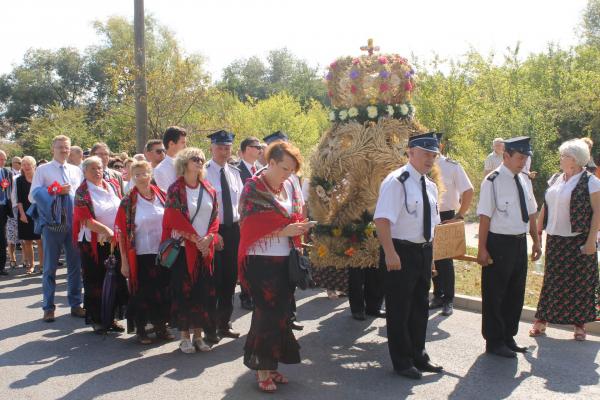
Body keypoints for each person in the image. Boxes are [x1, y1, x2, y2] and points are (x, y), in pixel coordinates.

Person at [238, 141, 308, 393]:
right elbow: (248, 226)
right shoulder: (252, 188)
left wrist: (299, 227)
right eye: (284, 168)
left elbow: (293, 216)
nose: (288, 174)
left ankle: (272, 363)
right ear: (271, 162)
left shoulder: (289, 185)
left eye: (292, 170)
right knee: (266, 314)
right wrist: (283, 230)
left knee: (281, 315)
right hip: (260, 261)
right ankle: (262, 369)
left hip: (285, 260)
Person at [374, 132, 443, 380]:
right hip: (400, 251)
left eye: (433, 155)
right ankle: (402, 361)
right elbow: (382, 220)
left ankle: (418, 355)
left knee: (420, 307)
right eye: (425, 154)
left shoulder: (430, 185)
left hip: (423, 253)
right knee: (400, 309)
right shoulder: (397, 182)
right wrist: (390, 253)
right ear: (411, 152)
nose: (430, 159)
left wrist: (432, 257)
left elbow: (432, 226)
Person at [476, 136, 542, 358]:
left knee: (515, 292)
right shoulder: (492, 181)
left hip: (518, 242)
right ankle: (494, 340)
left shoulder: (523, 179)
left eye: (526, 158)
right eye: (520, 157)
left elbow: (531, 212)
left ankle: (508, 336)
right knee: (495, 294)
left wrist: (536, 240)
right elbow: (484, 217)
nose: (523, 162)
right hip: (499, 243)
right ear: (506, 156)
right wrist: (482, 249)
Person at [530, 139, 600, 341]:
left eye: (564, 156)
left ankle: (579, 326)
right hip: (556, 239)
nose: (561, 159)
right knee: (552, 281)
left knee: (580, 283)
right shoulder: (556, 179)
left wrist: (590, 242)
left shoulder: (592, 181)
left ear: (576, 160)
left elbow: (597, 213)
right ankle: (541, 321)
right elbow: (546, 206)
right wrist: (538, 231)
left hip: (579, 239)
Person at [162, 147, 220, 354]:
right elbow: (173, 219)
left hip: (204, 249)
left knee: (202, 292)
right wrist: (197, 240)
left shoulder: (209, 188)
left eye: (202, 159)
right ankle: (185, 337)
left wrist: (209, 238)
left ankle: (198, 335)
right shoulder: (175, 189)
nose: (200, 162)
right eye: (195, 159)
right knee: (184, 292)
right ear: (185, 162)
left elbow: (215, 217)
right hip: (185, 250)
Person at [115, 160, 173, 344]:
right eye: (136, 174)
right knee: (143, 293)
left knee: (163, 290)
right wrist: (124, 262)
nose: (140, 178)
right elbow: (122, 234)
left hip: (163, 253)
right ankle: (141, 330)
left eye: (143, 173)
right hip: (141, 254)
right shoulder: (128, 201)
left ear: (151, 174)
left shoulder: (162, 195)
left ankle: (160, 327)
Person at [29, 135, 84, 322]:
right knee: (50, 268)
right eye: (60, 147)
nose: (63, 150)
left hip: (74, 223)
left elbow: (81, 194)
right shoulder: (43, 170)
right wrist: (55, 190)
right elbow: (32, 195)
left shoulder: (76, 170)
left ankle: (76, 304)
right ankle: (48, 307)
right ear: (53, 148)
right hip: (53, 225)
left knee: (75, 266)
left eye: (66, 147)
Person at [73, 156, 128, 333]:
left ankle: (111, 318)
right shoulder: (82, 191)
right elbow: (85, 219)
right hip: (93, 242)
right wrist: (107, 230)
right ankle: (98, 319)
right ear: (85, 172)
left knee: (116, 279)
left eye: (99, 168)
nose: (97, 172)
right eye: (93, 169)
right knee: (95, 280)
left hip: (114, 241)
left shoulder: (112, 184)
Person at [204, 130, 244, 342]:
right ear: (211, 148)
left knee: (229, 279)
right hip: (213, 230)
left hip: (233, 230)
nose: (224, 151)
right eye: (220, 147)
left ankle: (224, 323)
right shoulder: (204, 172)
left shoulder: (235, 173)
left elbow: (240, 205)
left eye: (227, 147)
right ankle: (210, 328)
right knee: (213, 281)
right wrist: (213, 232)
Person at [430, 133, 474, 316]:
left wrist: (460, 215)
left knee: (444, 260)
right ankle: (437, 295)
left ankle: (448, 299)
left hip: (446, 215)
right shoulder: (419, 166)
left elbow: (468, 190)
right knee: (430, 257)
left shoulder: (451, 166)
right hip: (424, 215)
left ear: (440, 146)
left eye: (434, 144)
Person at [235, 136, 263, 310]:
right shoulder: (235, 170)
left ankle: (256, 292)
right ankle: (246, 295)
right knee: (245, 259)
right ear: (245, 149)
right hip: (243, 222)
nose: (259, 149)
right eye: (255, 146)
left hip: (260, 222)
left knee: (257, 260)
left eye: (260, 146)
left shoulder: (260, 170)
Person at [15, 156, 43, 274]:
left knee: (40, 240)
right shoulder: (19, 180)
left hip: (40, 212)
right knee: (27, 241)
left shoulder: (40, 178)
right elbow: (19, 199)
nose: (26, 167)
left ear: (34, 166)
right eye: (24, 164)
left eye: (28, 164)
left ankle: (42, 265)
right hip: (25, 212)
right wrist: (22, 214)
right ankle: (31, 265)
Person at [154, 126, 187, 192]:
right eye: (183, 143)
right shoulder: (160, 170)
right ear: (171, 144)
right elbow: (166, 197)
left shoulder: (189, 164)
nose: (186, 146)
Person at [0, 150, 14, 276]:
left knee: (2, 238)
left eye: (4, 159)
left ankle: (1, 266)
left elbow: (10, 190)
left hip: (3, 208)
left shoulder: (6, 172)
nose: (2, 162)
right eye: (1, 159)